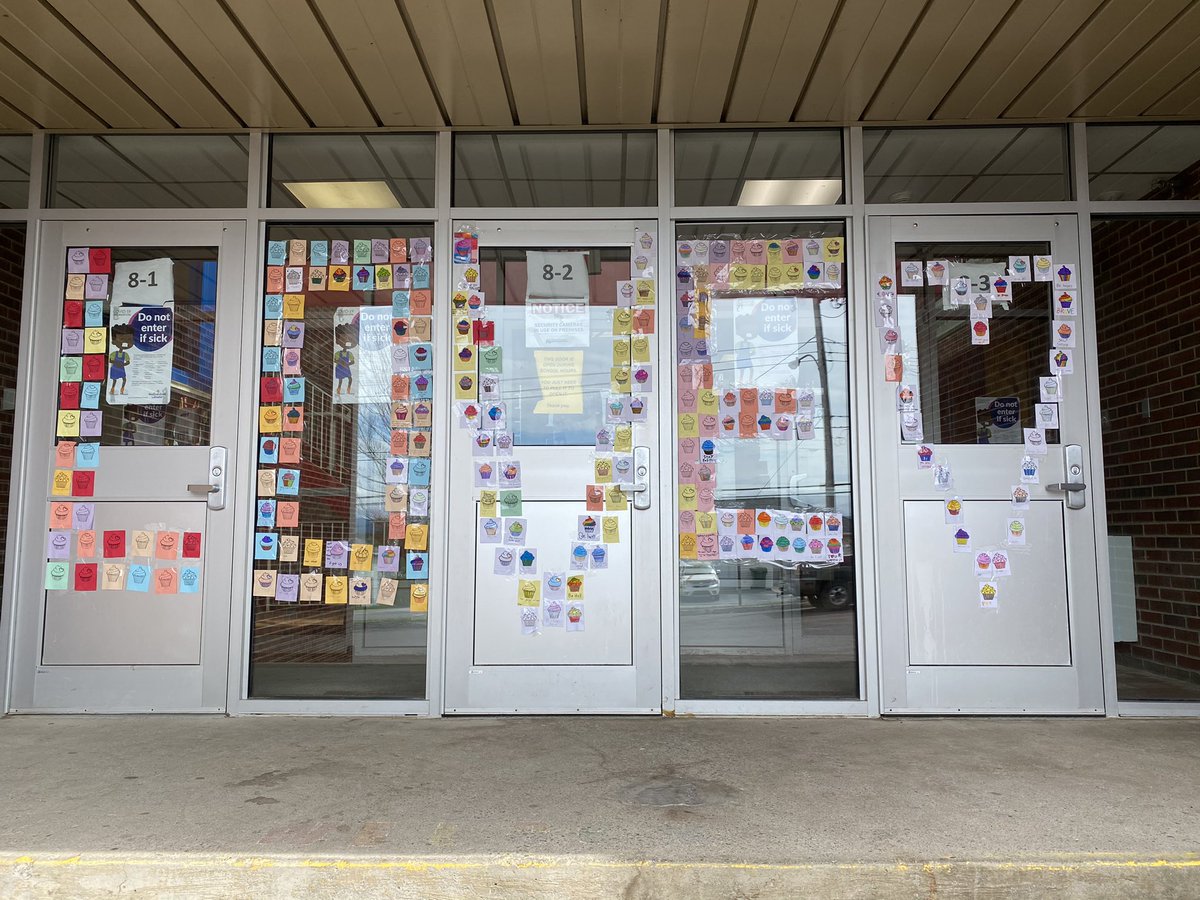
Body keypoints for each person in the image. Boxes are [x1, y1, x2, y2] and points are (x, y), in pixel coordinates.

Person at [108, 323, 134, 396]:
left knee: (124, 379)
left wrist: (123, 364)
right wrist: (117, 363)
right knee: (114, 380)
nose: (125, 342)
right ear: (114, 341)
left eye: (129, 339)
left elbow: (128, 362)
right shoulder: (114, 353)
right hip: (115, 368)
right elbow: (110, 360)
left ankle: (122, 389)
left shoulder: (125, 354)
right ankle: (112, 389)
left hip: (121, 368)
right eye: (122, 339)